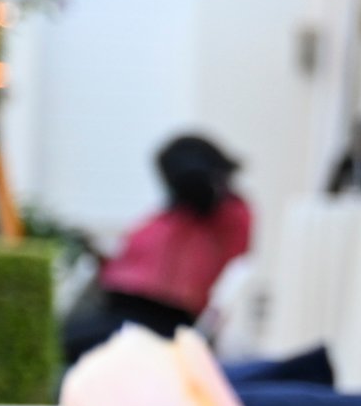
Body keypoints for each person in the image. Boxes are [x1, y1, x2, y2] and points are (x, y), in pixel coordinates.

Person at [60, 133, 249, 363]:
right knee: (65, 334)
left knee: (66, 343)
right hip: (121, 309)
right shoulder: (174, 214)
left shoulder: (222, 214)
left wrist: (204, 186)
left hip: (158, 321)